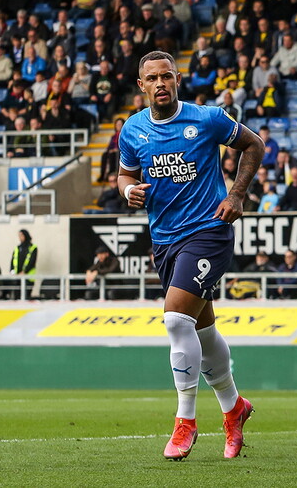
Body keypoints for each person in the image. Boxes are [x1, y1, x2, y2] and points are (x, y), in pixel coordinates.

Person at [117, 50, 265, 461]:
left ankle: (185, 422)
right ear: (141, 85)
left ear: (177, 80)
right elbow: (125, 173)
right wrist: (128, 190)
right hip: (164, 239)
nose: (160, 83)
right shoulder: (132, 130)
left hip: (208, 232)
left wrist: (236, 194)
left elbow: (254, 145)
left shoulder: (207, 119)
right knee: (201, 331)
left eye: (167, 76)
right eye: (153, 78)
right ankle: (234, 408)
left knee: (175, 317)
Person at [11, 229, 39, 299]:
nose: (20, 237)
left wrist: (24, 272)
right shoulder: (17, 248)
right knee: (16, 296)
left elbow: (32, 261)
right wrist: (13, 272)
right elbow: (13, 261)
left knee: (26, 296)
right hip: (17, 277)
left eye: (21, 235)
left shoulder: (33, 248)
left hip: (28, 277)